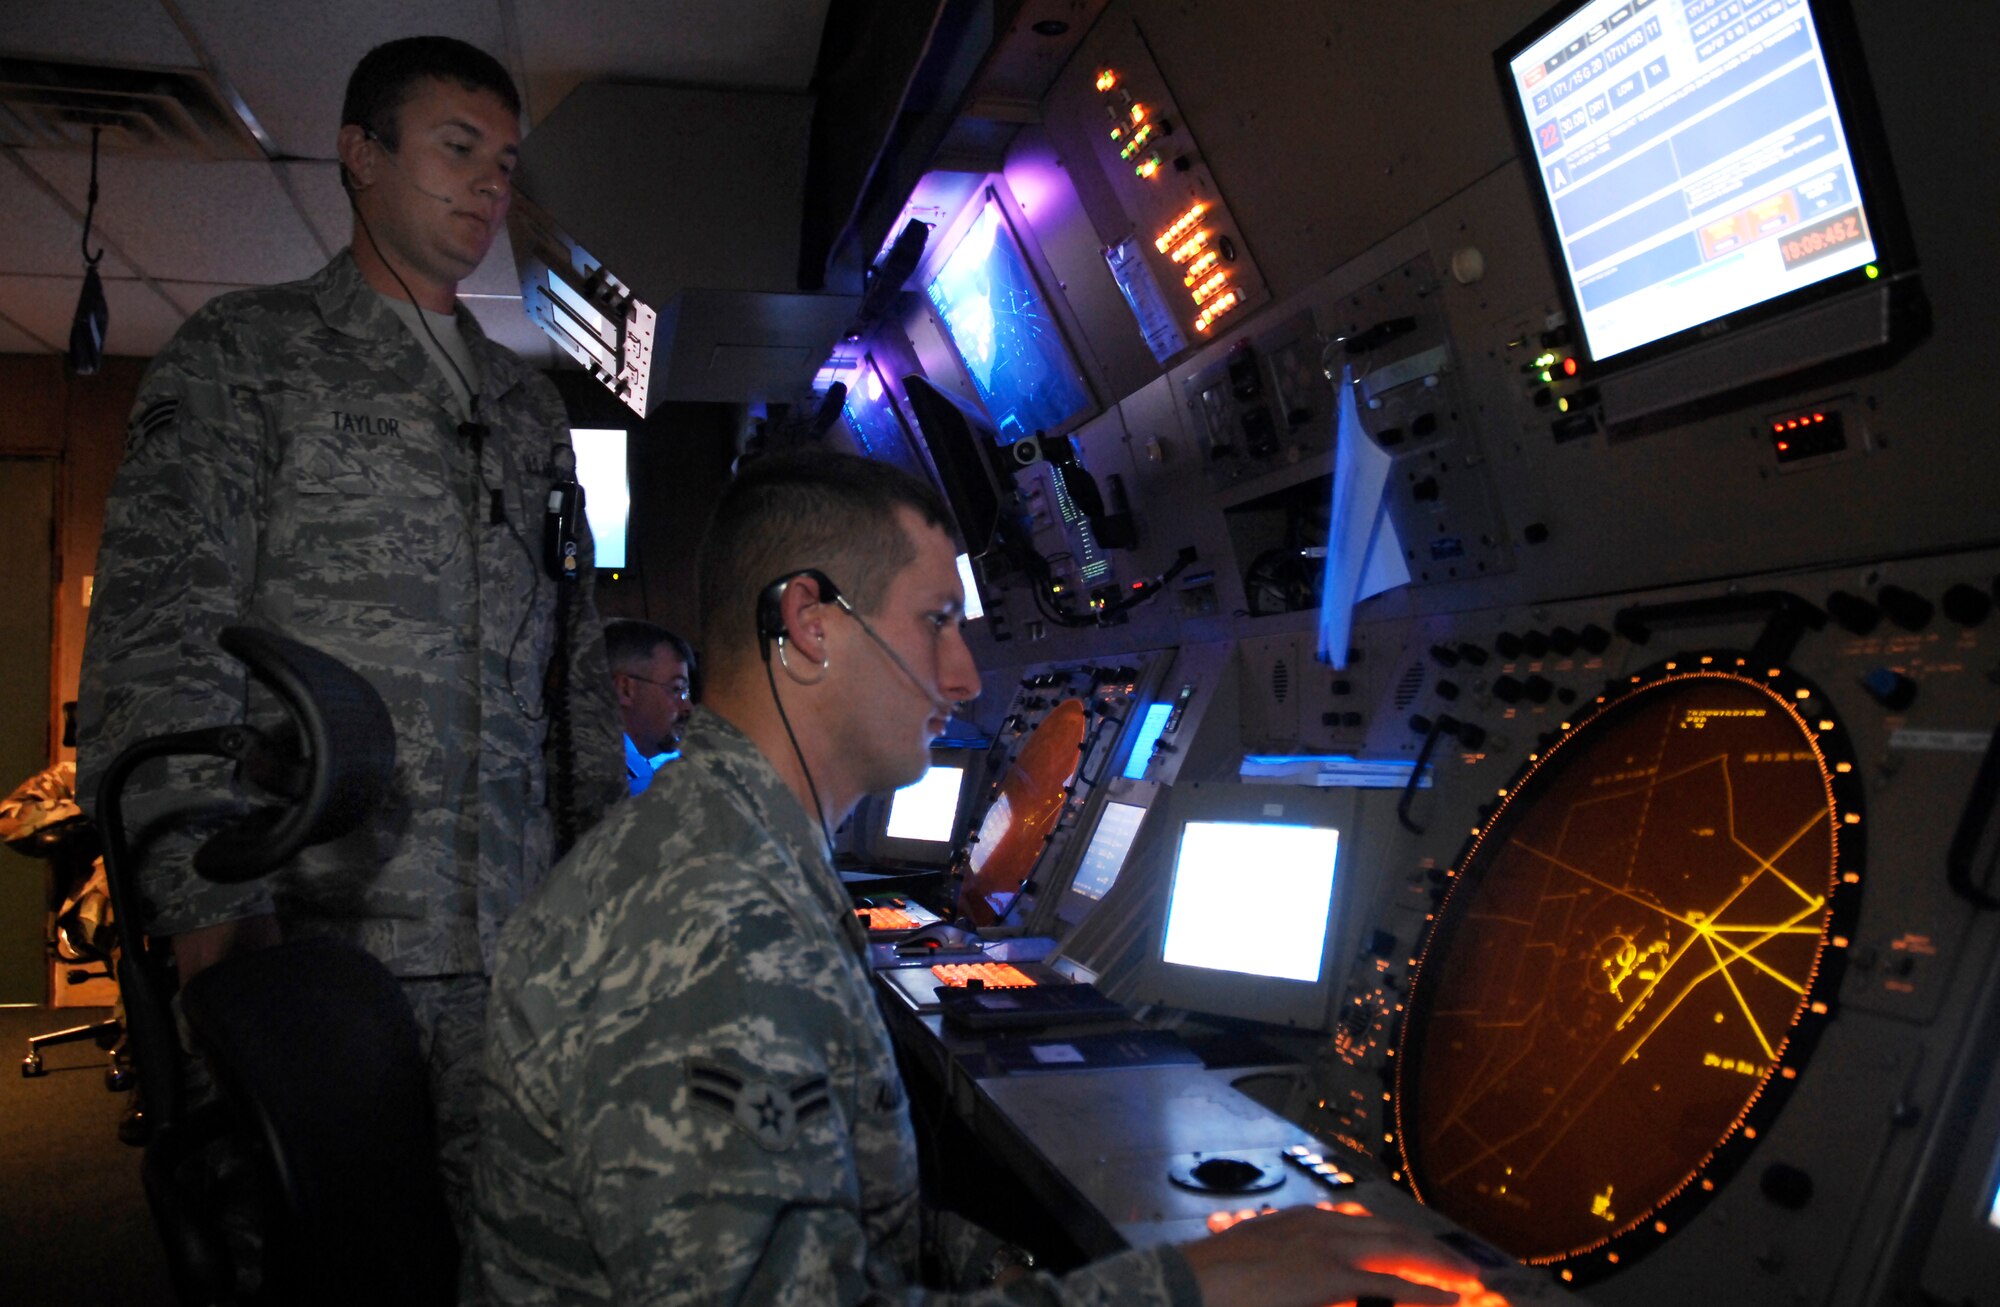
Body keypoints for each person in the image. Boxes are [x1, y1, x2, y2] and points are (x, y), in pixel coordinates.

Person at [471, 451, 1476, 1305]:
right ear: (810, 623)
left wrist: (1016, 1263)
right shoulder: (715, 920)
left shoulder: (733, 849)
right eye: (935, 620)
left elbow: (839, 1226)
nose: (960, 675)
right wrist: (1183, 1283)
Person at [75, 35, 624, 1228]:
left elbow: (570, 671)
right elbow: (157, 646)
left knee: (513, 1257)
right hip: (318, 943)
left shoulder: (525, 405)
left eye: (505, 160)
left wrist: (601, 893)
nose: (490, 183)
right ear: (360, 154)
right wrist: (211, 923)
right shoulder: (245, 358)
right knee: (331, 1263)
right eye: (457, 147)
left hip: (513, 953)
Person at [604, 618, 696, 795]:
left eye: (687, 693)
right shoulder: (623, 787)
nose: (688, 707)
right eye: (677, 689)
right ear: (626, 690)